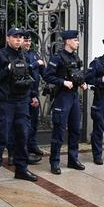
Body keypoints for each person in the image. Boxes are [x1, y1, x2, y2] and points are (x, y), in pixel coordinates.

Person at [0, 28, 38, 186]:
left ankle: (21, 169)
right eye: (15, 37)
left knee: (23, 135)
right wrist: (7, 69)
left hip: (22, 102)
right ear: (8, 38)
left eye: (21, 37)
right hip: (7, 102)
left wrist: (30, 96)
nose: (18, 40)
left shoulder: (24, 54)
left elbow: (28, 76)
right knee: (2, 137)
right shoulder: (1, 55)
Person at [43, 30, 88, 174]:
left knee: (75, 130)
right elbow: (47, 76)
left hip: (74, 96)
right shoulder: (57, 58)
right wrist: (62, 82)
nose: (78, 42)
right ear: (68, 41)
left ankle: (73, 159)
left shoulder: (75, 57)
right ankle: (54, 162)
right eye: (75, 40)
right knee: (59, 131)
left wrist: (82, 83)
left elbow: (77, 75)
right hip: (62, 97)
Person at [22, 31, 46, 158]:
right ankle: (23, 150)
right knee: (23, 124)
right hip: (25, 94)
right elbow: (25, 69)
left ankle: (32, 145)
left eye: (29, 41)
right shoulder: (20, 55)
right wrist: (36, 64)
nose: (28, 43)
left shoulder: (34, 54)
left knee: (34, 122)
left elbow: (44, 72)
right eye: (26, 41)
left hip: (34, 93)